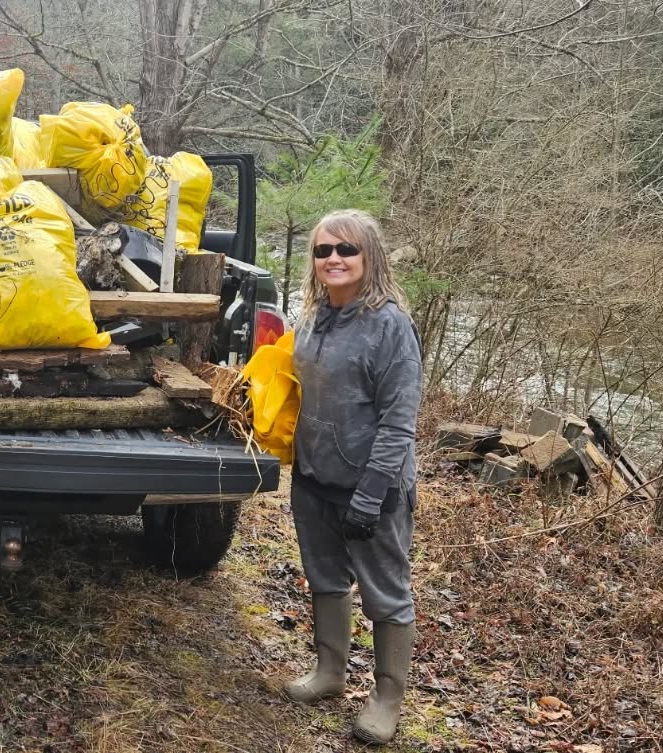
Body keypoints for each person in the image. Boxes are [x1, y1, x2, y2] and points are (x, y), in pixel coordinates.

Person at [278, 209, 420, 745]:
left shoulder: (391, 326)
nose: (333, 259)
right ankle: (330, 673)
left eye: (345, 250)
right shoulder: (313, 317)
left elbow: (398, 421)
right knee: (325, 577)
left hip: (374, 487)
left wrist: (372, 493)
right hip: (315, 477)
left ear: (369, 257)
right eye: (322, 251)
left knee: (386, 593)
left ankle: (386, 699)